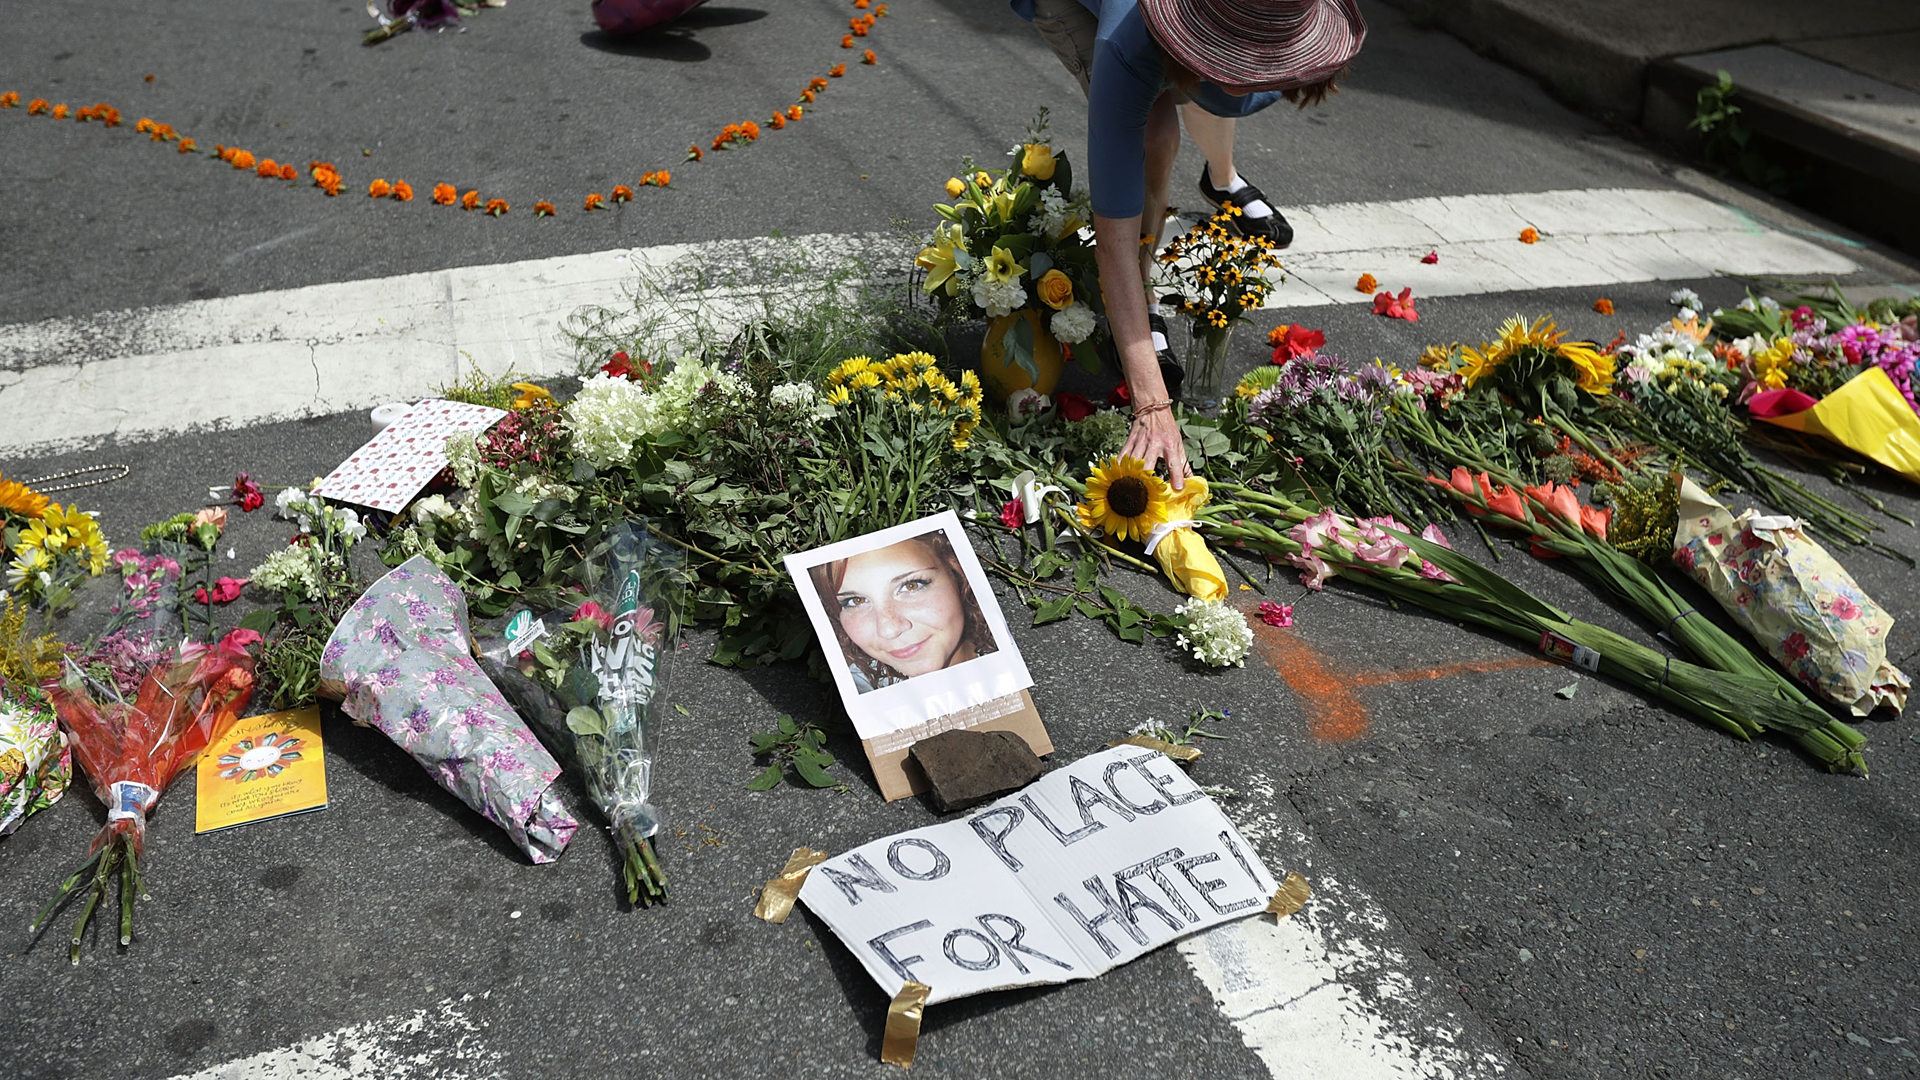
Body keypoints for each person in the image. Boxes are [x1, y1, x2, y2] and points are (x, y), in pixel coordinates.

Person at [1013, 0, 1364, 488]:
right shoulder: (1128, 43)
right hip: (1105, 14)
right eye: (1230, 52)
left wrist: (1239, 61)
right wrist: (1152, 404)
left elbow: (1236, 68)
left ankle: (1222, 179)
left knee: (1216, 92)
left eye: (1262, 55)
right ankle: (1143, 293)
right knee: (1154, 136)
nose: (1248, 71)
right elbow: (1111, 240)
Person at [809, 531, 998, 693]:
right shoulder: (855, 687)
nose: (889, 629)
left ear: (958, 575)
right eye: (855, 601)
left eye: (911, 585)